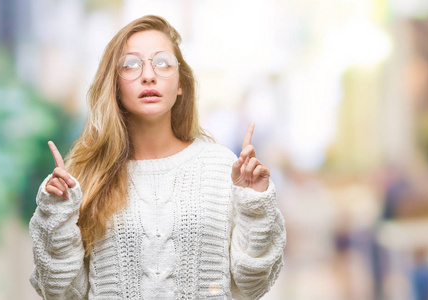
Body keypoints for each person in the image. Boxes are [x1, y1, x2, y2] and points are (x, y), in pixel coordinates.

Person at [29, 15, 286, 300]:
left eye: (162, 62)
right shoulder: (87, 176)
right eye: (131, 64)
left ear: (180, 84)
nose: (148, 75)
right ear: (114, 85)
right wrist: (58, 216)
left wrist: (255, 203)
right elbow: (61, 293)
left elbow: (251, 286)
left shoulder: (221, 168)